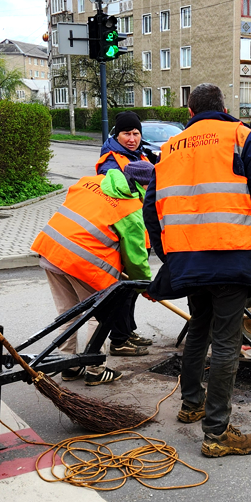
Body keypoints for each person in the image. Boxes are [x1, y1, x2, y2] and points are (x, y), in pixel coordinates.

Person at [144, 83, 251, 457]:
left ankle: (191, 404)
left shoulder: (169, 148)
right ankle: (217, 433)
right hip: (230, 256)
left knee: (198, 327)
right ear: (223, 108)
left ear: (190, 113)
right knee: (226, 342)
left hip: (187, 259)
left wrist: (168, 253)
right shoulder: (239, 136)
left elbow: (150, 208)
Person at [31, 165, 153, 386]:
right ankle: (95, 369)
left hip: (52, 250)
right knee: (99, 315)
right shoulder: (132, 209)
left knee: (67, 314)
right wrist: (145, 287)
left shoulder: (90, 181)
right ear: (144, 186)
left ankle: (68, 366)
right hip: (83, 262)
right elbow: (136, 260)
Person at [96, 111, 155, 350]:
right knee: (124, 289)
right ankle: (119, 340)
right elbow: (114, 191)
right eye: (126, 133)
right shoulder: (110, 159)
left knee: (131, 291)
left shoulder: (141, 154)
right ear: (116, 135)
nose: (132, 138)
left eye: (136, 133)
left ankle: (128, 332)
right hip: (124, 228)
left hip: (141, 227)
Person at [97, 111, 155, 176]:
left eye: (135, 134)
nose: (132, 140)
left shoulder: (141, 154)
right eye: (127, 134)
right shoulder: (110, 164)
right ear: (117, 136)